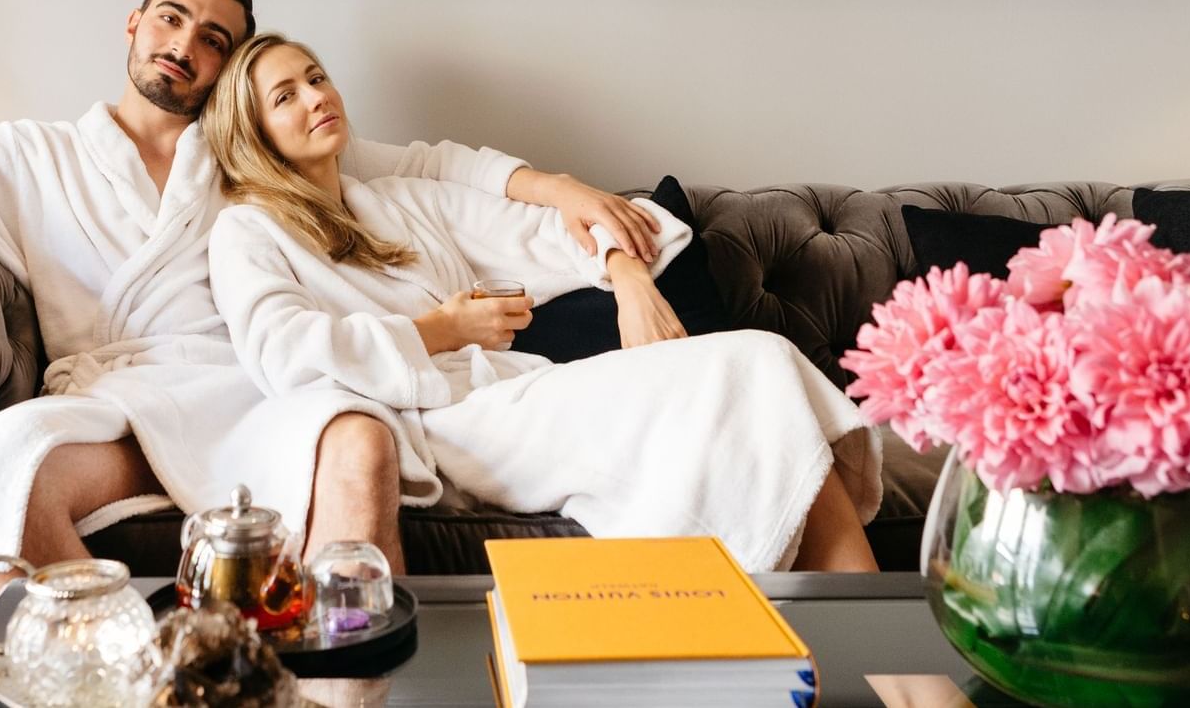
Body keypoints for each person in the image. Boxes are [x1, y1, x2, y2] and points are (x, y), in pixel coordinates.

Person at [0, 0, 663, 584]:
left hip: (253, 389)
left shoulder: (251, 155)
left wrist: (560, 187)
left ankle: (343, 679)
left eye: (214, 39)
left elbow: (428, 163)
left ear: (227, 70)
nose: (185, 44)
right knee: (1, 466)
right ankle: (120, 673)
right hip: (121, 400)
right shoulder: (35, 155)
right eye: (173, 18)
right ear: (135, 23)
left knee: (360, 443)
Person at [203, 34, 882, 572]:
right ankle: (895, 677)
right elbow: (285, 353)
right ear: (254, 132)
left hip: (513, 395)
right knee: (749, 366)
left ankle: (872, 660)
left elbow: (557, 228)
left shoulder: (399, 200)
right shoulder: (247, 230)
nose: (316, 97)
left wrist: (627, 275)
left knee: (759, 362)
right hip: (441, 424)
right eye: (286, 96)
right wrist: (440, 329)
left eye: (317, 77)